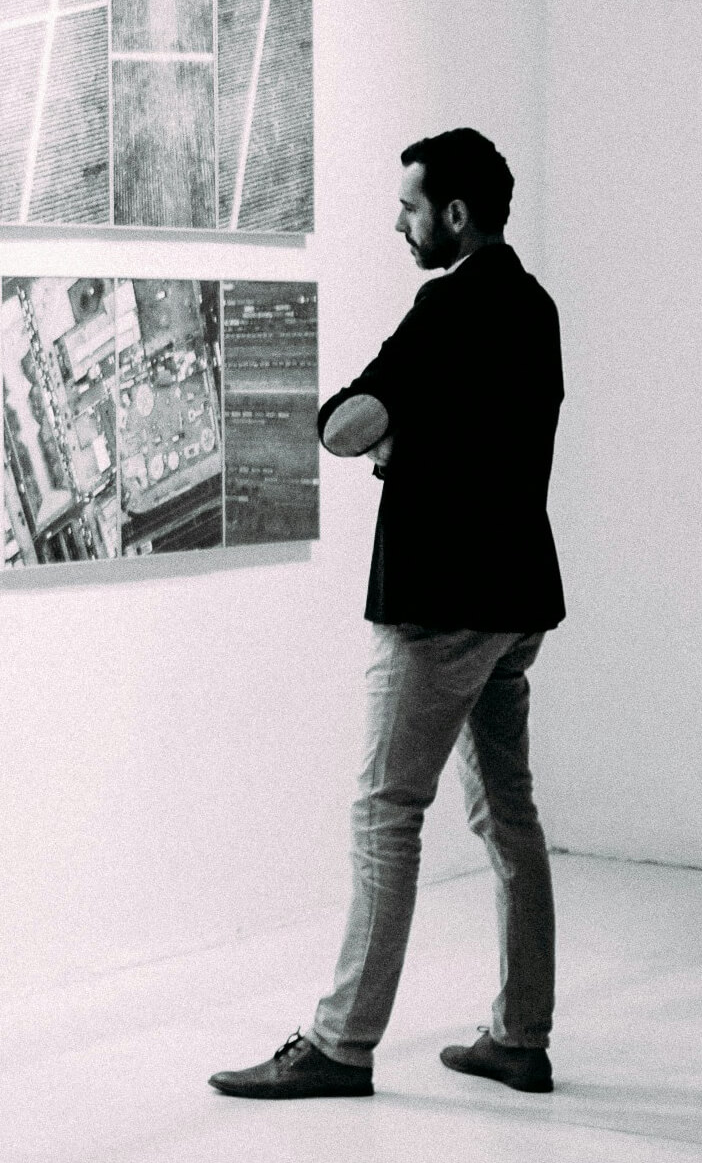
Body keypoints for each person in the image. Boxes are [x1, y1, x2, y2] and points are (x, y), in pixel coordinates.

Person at [209, 127, 565, 1101]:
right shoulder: (535, 308)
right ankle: (520, 1033)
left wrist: (390, 422)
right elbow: (492, 432)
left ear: (455, 214)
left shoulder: (445, 306)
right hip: (514, 598)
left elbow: (344, 422)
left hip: (439, 603)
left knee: (385, 811)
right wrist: (425, 427)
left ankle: (340, 1041)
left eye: (410, 207)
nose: (398, 223)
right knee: (508, 813)